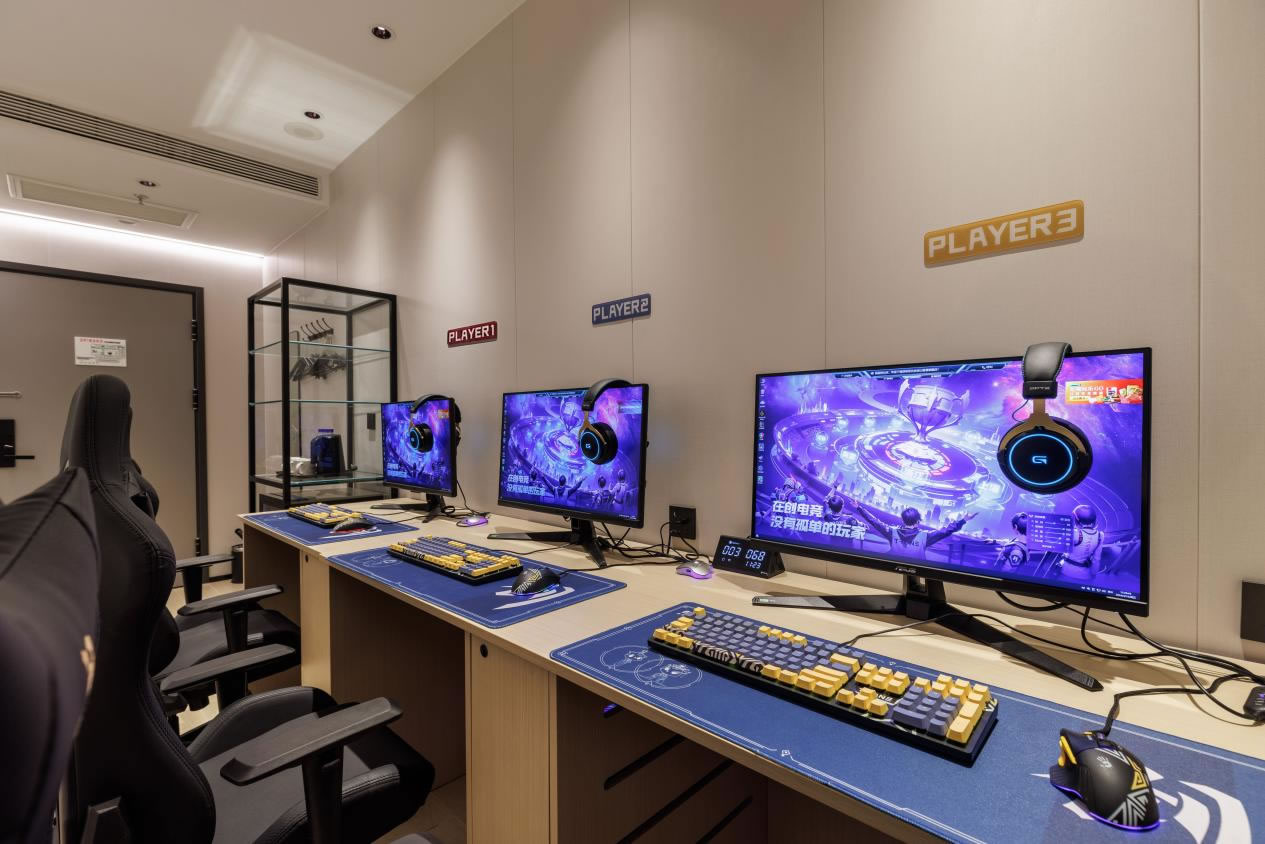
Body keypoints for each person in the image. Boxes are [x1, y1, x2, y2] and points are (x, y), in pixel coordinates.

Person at [842, 496, 975, 559]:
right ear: (918, 521)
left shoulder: (891, 531)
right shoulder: (925, 536)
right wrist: (964, 520)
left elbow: (874, 521)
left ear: (903, 519)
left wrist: (859, 508)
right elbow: (946, 531)